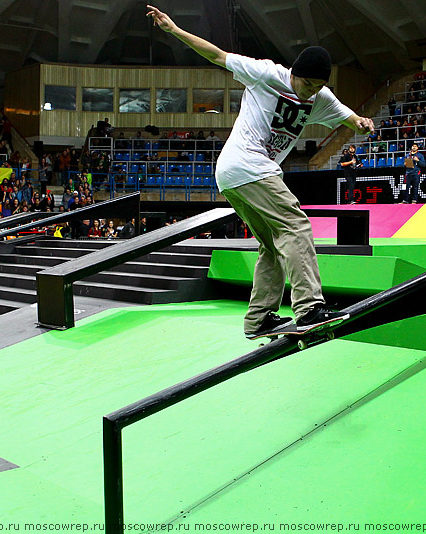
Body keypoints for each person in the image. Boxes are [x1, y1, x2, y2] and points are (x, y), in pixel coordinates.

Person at [147, 5, 375, 339]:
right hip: (246, 164)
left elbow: (346, 115)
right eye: (306, 84)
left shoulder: (320, 96)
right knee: (295, 225)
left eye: (317, 87)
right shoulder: (266, 73)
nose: (310, 92)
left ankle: (259, 319)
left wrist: (360, 122)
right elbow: (217, 55)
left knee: (272, 243)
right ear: (294, 72)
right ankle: (310, 307)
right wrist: (173, 30)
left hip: (235, 176)